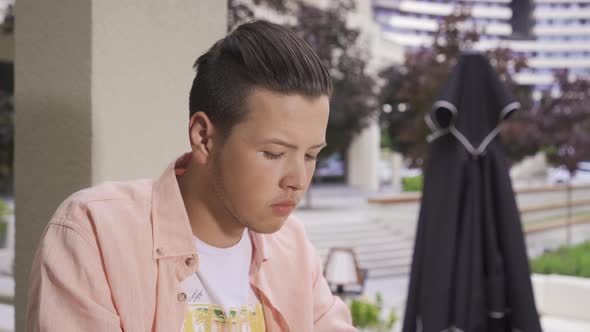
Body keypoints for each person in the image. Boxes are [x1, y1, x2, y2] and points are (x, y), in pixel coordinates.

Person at [26, 20, 356, 332]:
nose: (297, 179)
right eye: (274, 153)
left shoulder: (292, 247)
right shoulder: (94, 231)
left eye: (312, 155)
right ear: (203, 137)